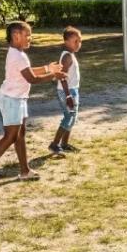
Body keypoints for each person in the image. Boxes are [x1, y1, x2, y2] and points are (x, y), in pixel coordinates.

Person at [0, 21, 63, 185]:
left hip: (17, 99)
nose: (30, 38)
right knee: (10, 137)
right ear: (16, 36)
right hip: (11, 100)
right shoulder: (18, 55)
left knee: (20, 135)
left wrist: (47, 68)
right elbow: (32, 79)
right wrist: (53, 76)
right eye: (27, 35)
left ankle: (25, 171)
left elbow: (27, 71)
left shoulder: (17, 53)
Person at [48, 26, 82, 156]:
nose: (78, 44)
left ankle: (65, 144)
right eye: (75, 41)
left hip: (72, 90)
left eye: (80, 41)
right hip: (67, 92)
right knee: (69, 118)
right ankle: (54, 144)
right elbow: (62, 77)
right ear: (66, 42)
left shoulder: (70, 54)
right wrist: (68, 96)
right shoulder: (67, 56)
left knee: (72, 117)